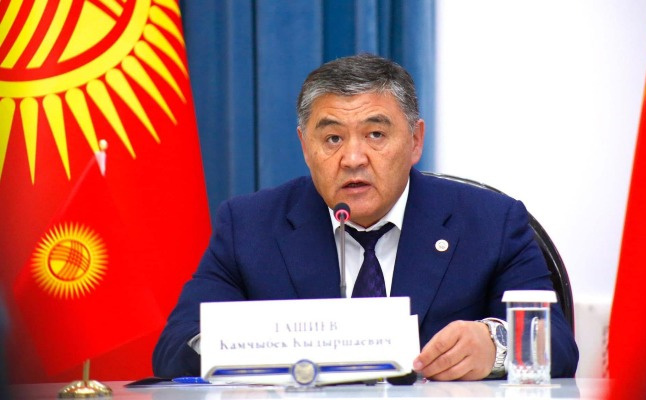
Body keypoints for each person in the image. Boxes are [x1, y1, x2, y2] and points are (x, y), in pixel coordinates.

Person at [153, 54, 579, 380]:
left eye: (376, 134)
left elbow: (557, 345)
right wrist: (261, 348)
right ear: (305, 147)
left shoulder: (491, 222)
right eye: (332, 138)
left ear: (415, 141)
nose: (353, 158)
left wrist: (494, 346)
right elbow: (174, 348)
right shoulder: (249, 226)